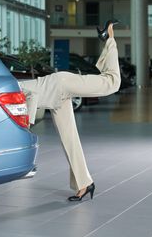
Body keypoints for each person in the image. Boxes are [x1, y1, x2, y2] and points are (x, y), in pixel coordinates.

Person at [19, 20, 121, 201]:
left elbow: (33, 94)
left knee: (112, 83)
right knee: (69, 139)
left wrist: (27, 124)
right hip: (56, 98)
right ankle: (84, 183)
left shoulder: (14, 87)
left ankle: (109, 37)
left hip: (61, 84)